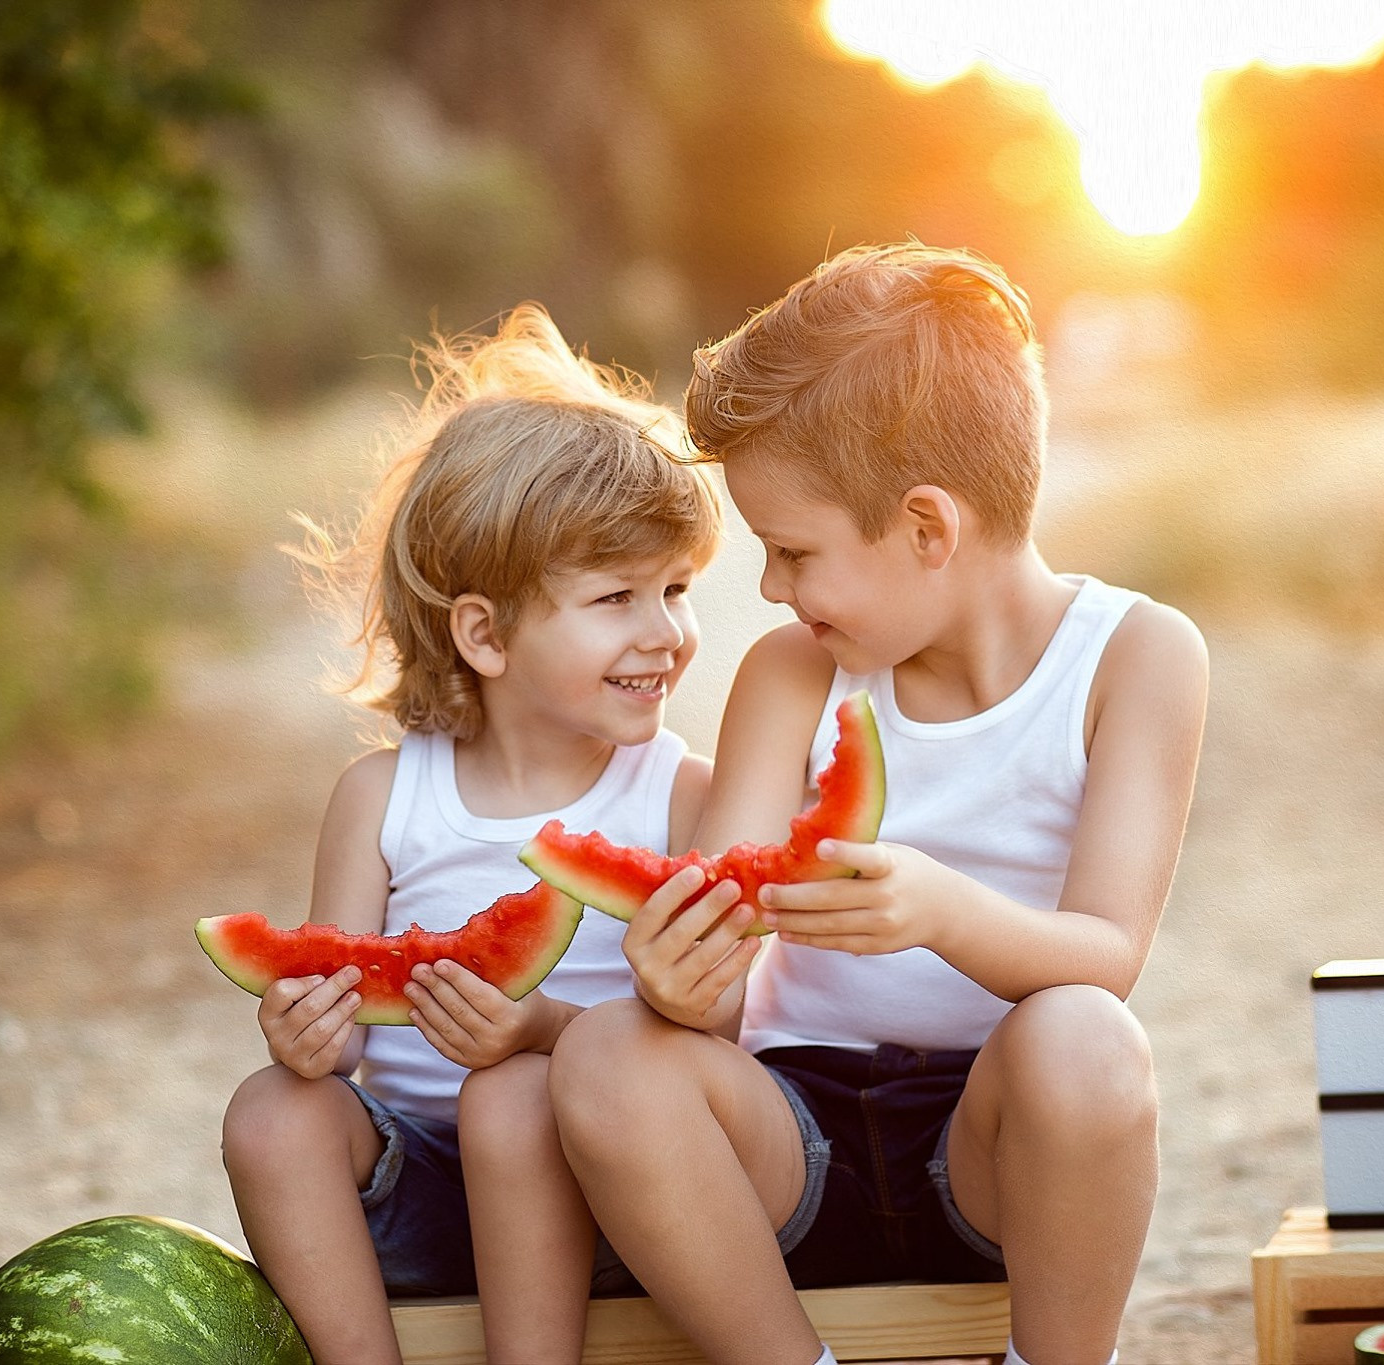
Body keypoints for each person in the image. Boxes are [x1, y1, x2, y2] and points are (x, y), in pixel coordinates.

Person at [548, 244, 1209, 1365]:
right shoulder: (791, 676)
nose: (766, 588)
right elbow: (711, 981)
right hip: (789, 1138)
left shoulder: (1136, 657)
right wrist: (678, 978)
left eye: (790, 550)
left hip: (996, 1150)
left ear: (925, 528)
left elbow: (1106, 956)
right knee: (606, 1054)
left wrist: (940, 912)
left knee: (1087, 1039)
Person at [220, 304, 720, 1365]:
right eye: (616, 596)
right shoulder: (381, 798)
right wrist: (306, 1033)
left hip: (598, 1196)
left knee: (510, 1096)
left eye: (676, 589)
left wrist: (537, 1032)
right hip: (409, 1198)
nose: (665, 632)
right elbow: (342, 1023)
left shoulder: (677, 797)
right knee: (270, 1114)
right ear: (484, 634)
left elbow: (710, 1039)